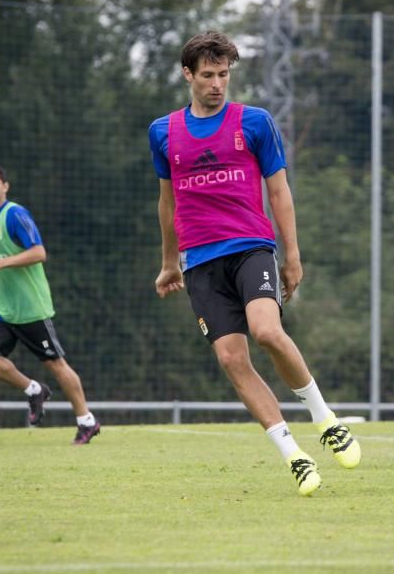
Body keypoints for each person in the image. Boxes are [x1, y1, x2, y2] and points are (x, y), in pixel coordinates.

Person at [149, 31, 360, 497]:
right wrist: (170, 262)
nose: (217, 84)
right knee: (231, 358)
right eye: (207, 75)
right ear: (188, 74)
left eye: (224, 75)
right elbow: (168, 203)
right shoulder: (164, 132)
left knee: (266, 331)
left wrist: (292, 255)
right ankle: (294, 455)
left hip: (250, 247)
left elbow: (280, 191)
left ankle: (325, 419)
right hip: (200, 260)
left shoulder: (256, 122)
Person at [0, 163, 100, 444]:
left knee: (56, 365)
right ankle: (33, 390)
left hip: (31, 308)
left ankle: (86, 420)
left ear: (5, 186)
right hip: (1, 307)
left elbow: (39, 253)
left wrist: (0, 264)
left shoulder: (14, 214)